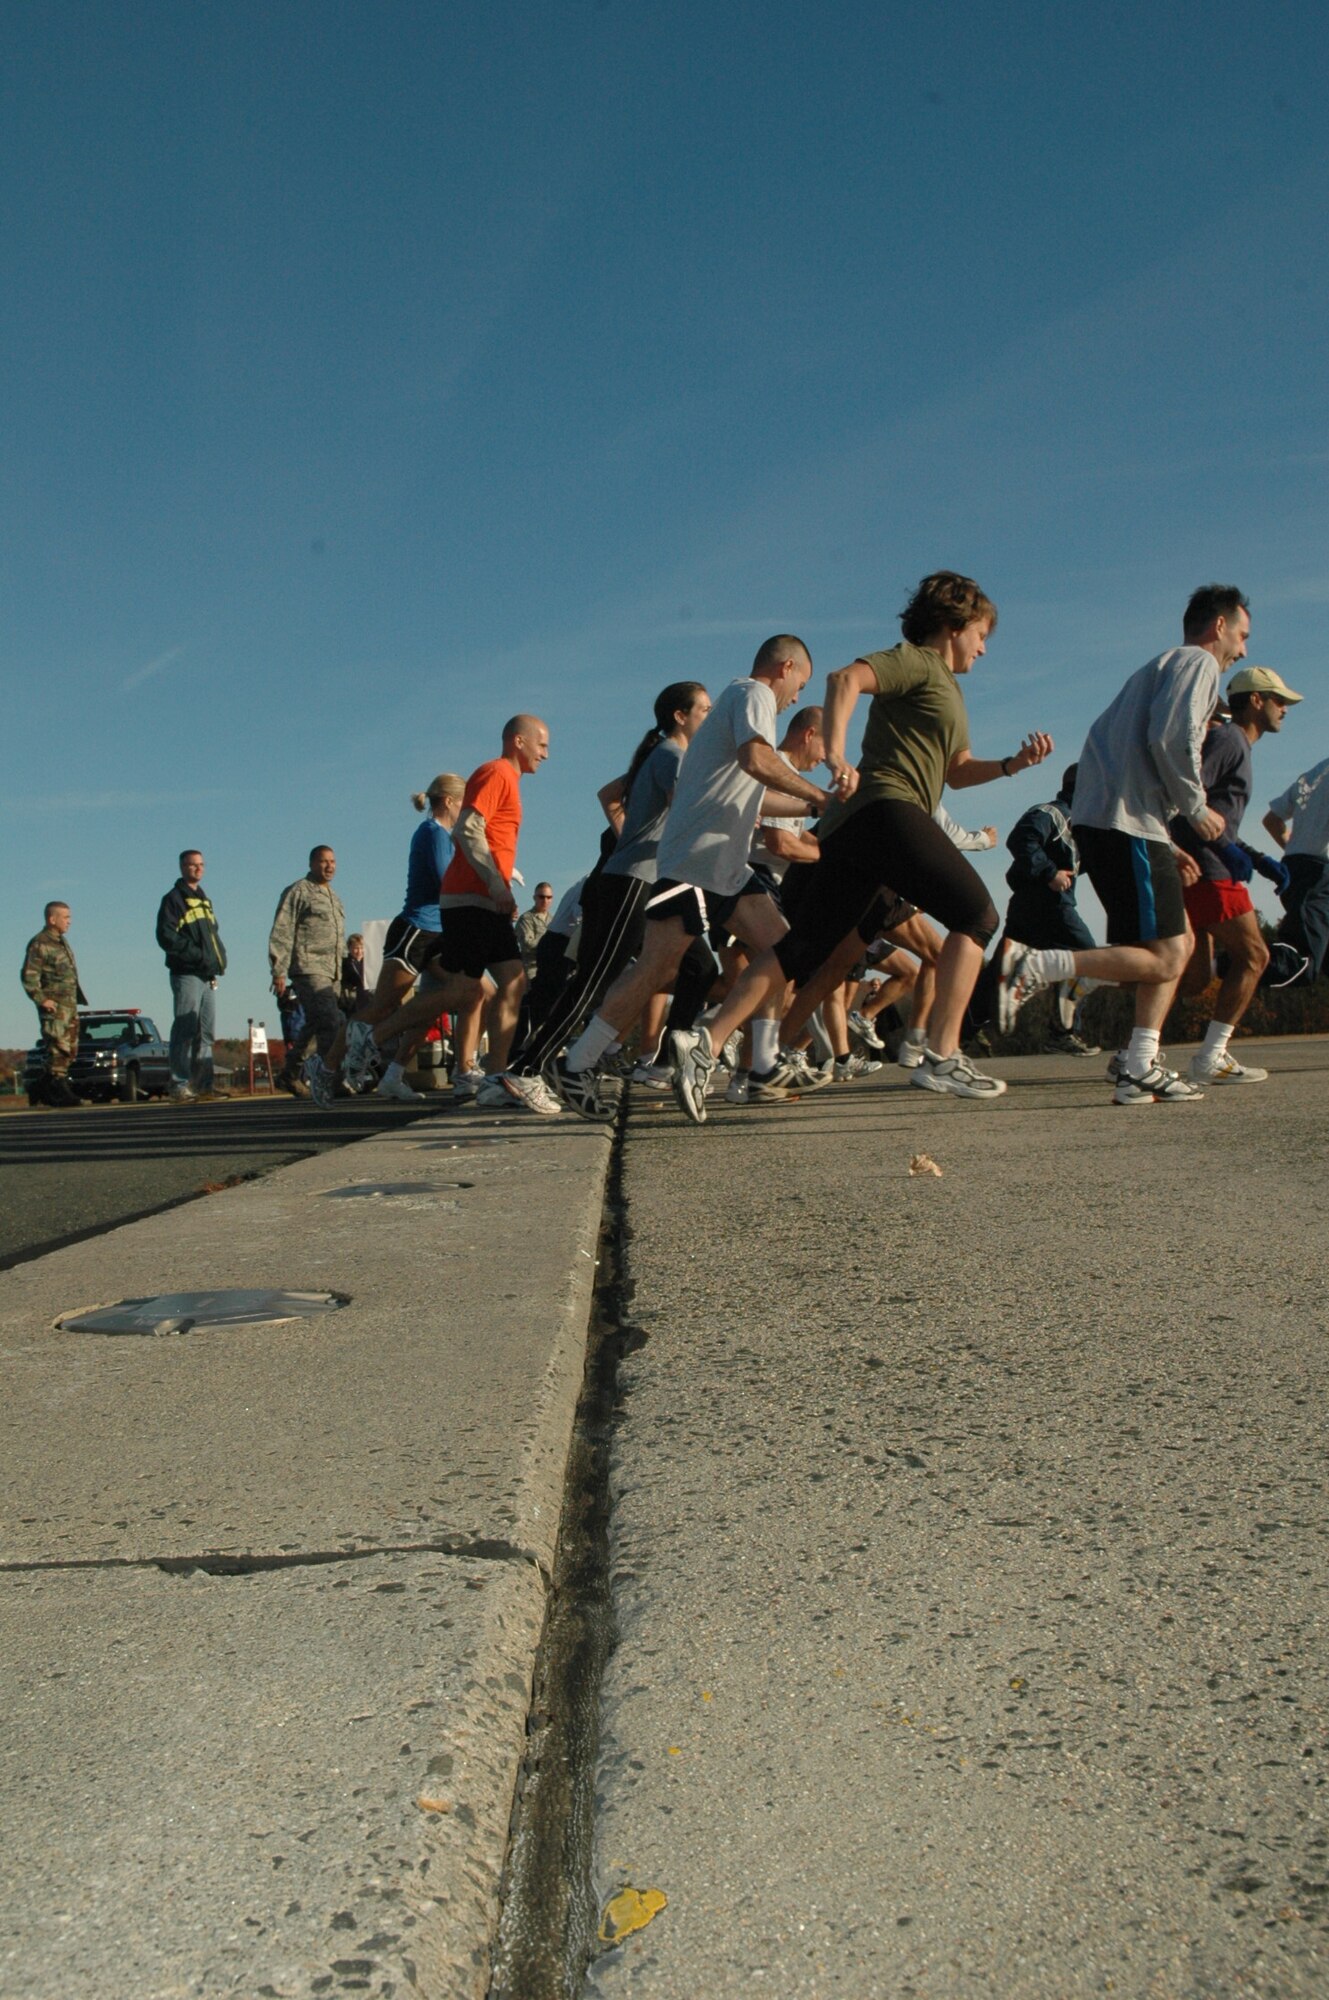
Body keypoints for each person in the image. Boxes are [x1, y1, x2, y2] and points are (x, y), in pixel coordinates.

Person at [681, 573, 1053, 1107]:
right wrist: (834, 752)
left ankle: (708, 1044)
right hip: (886, 810)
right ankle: (943, 1054)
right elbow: (842, 680)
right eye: (981, 633)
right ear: (953, 625)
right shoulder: (919, 661)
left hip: (862, 826)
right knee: (977, 916)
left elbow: (958, 771)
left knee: (804, 948)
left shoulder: (949, 689)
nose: (985, 646)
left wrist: (1015, 765)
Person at [553, 637, 839, 1120]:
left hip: (722, 865)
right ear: (785, 667)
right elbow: (759, 763)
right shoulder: (754, 695)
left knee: (783, 948)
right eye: (801, 684)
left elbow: (753, 793)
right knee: (657, 968)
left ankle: (763, 1066)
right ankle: (577, 1064)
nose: (796, 697)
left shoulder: (739, 706)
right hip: (693, 858)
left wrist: (815, 806)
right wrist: (823, 797)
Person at [995, 583, 1252, 1104]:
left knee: (1172, 948)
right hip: (1126, 823)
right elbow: (1172, 739)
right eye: (1242, 636)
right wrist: (1197, 811)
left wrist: (1165, 836)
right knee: (1164, 957)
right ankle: (1043, 965)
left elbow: (1117, 747)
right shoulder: (1196, 663)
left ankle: (1137, 1064)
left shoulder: (1154, 671)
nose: (1242, 650)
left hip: (1126, 823)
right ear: (1219, 626)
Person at [496, 683, 712, 1113]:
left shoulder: (661, 754)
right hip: (629, 882)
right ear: (679, 716)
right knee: (592, 982)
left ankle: (667, 1059)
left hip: (648, 881)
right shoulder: (672, 755)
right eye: (704, 710)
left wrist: (630, 836)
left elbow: (610, 796)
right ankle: (529, 1067)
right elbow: (685, 813)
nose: (710, 717)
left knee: (700, 964)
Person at [365, 716, 551, 1099]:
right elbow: (467, 827)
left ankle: (497, 1077)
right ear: (519, 741)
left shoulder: (509, 780)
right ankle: (374, 1036)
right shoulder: (496, 772)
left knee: (513, 983)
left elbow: (489, 838)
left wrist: (502, 882)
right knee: (464, 991)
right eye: (542, 745)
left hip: (484, 898)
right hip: (470, 899)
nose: (546, 754)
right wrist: (497, 885)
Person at [1172, 665, 1301, 1083]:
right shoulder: (1229, 739)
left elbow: (1217, 819)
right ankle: (1211, 1056)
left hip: (1208, 864)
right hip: (1208, 869)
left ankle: (1127, 1042)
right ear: (1256, 701)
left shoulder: (1237, 744)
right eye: (1278, 699)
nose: (1285, 708)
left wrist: (1258, 858)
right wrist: (1222, 851)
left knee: (1191, 977)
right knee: (1255, 955)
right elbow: (1185, 802)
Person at [268, 846, 346, 1088]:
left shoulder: (333, 896)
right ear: (312, 863)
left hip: (332, 971)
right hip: (308, 966)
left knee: (315, 1025)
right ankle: (330, 1079)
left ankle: (289, 1075)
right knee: (330, 1022)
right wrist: (278, 970)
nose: (329, 866)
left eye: (333, 861)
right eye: (324, 861)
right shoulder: (299, 891)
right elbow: (282, 930)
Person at [155, 849, 229, 1103]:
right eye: (192, 865)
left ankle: (203, 1086)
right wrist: (197, 956)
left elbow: (212, 936)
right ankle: (179, 1084)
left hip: (207, 976)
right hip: (187, 973)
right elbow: (166, 936)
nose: (198, 869)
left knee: (206, 1032)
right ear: (182, 867)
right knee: (185, 1029)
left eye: (201, 865)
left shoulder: (204, 901)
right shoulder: (173, 899)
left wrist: (217, 960)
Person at [1262, 741, 1329, 987]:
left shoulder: (1313, 775)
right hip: (1318, 875)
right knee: (1302, 961)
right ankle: (1233, 961)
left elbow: (1272, 820)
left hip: (1296, 867)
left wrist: (1296, 847)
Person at [20, 901, 86, 1108]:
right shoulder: (40, 943)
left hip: (69, 1004)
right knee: (58, 1046)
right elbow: (29, 976)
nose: (69, 922)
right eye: (65, 918)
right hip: (54, 1005)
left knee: (71, 1048)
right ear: (52, 919)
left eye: (70, 918)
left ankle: (40, 1087)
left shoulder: (61, 942)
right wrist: (41, 999)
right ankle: (58, 1087)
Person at [515, 885, 554, 979]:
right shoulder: (526, 918)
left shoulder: (553, 920)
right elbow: (527, 944)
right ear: (534, 898)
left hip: (550, 967)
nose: (545, 900)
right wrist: (550, 941)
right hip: (531, 968)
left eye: (549, 897)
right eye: (541, 897)